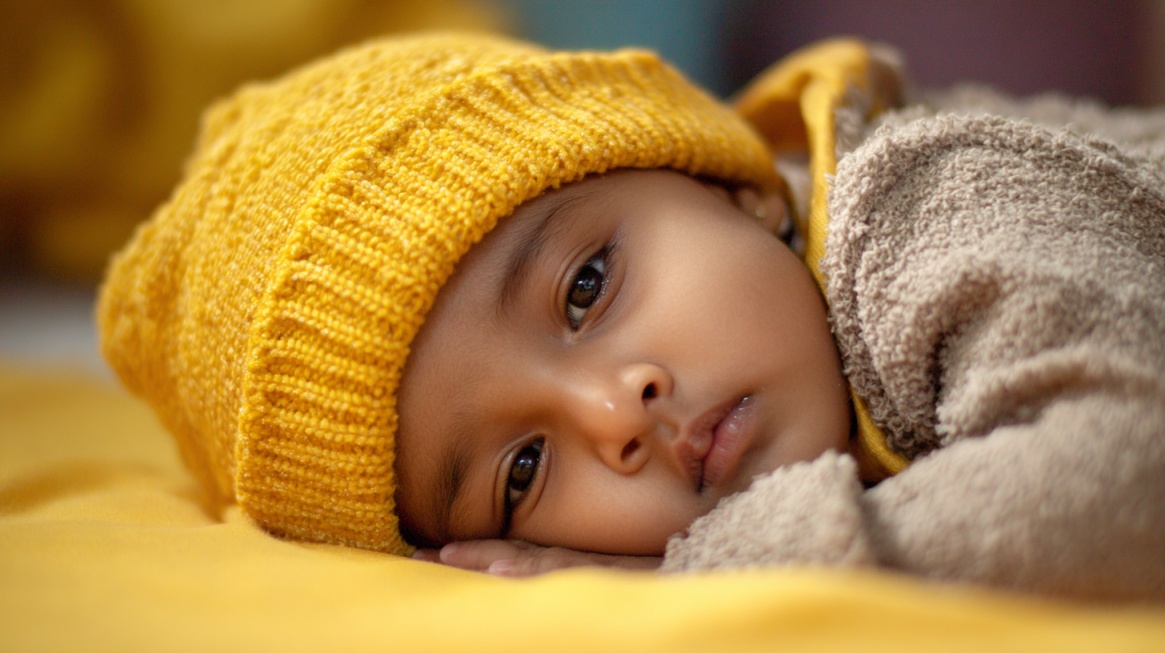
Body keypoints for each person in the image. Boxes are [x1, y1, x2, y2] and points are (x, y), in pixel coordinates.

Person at [98, 32, 1165, 603]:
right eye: (521, 470)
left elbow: (1129, 472)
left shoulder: (933, 209)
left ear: (727, 182)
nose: (619, 406)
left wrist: (725, 555)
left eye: (583, 288)